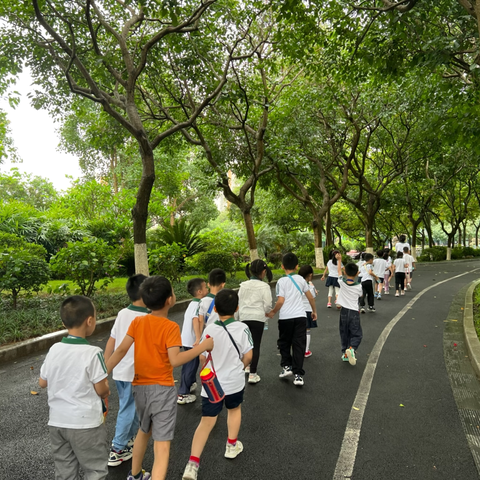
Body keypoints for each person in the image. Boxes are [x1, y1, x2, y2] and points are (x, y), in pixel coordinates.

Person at [106, 276, 213, 480]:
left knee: (143, 431)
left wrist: (102, 375)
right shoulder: (170, 327)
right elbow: (175, 360)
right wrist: (201, 347)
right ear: (169, 300)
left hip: (140, 387)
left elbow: (120, 350)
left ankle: (135, 475)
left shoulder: (138, 322)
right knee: (162, 445)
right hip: (162, 390)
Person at [182, 289, 253, 480]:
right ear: (237, 308)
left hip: (212, 384)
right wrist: (241, 366)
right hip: (234, 382)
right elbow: (248, 355)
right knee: (234, 410)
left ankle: (192, 464)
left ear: (215, 308)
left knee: (206, 422)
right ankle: (231, 445)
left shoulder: (210, 328)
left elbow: (203, 356)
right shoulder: (242, 328)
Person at [39, 295, 110, 480]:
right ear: (90, 321)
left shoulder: (54, 349)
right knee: (95, 471)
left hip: (57, 423)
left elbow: (42, 382)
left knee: (64, 471)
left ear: (64, 323)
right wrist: (107, 390)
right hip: (86, 424)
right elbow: (101, 390)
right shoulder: (93, 353)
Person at [104, 274, 148, 467]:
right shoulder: (146, 318)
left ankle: (128, 439)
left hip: (120, 371)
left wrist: (106, 364)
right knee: (128, 408)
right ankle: (117, 448)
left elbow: (112, 340)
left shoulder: (122, 313)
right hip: (134, 373)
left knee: (131, 407)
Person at [267, 252, 317, 387]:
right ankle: (298, 375)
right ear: (296, 266)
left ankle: (286, 367)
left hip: (285, 318)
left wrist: (273, 312)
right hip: (300, 317)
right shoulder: (301, 280)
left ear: (282, 266)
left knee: (284, 343)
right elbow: (310, 297)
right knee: (299, 345)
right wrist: (314, 311)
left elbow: (280, 300)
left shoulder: (281, 281)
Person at [238, 259, 273, 384]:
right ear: (263, 272)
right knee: (255, 345)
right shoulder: (264, 286)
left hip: (243, 317)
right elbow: (268, 304)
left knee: (245, 345)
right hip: (258, 318)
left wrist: (237, 318)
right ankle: (253, 373)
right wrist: (266, 313)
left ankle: (246, 366)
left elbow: (238, 302)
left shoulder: (242, 285)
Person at [177, 278, 209, 405]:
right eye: (205, 287)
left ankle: (188, 385)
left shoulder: (193, 303)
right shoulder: (199, 304)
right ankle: (183, 394)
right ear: (200, 291)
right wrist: (198, 338)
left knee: (188, 365)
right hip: (192, 341)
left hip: (186, 339)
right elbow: (196, 320)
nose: (207, 289)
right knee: (191, 366)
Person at [334, 254, 363, 366]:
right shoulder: (359, 286)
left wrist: (339, 260)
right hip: (354, 312)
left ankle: (345, 353)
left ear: (345, 271)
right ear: (357, 273)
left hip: (344, 312)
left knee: (344, 332)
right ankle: (352, 348)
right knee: (356, 333)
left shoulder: (342, 282)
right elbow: (361, 295)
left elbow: (339, 273)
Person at [298, 265, 318, 358]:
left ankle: (298, 349)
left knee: (298, 331)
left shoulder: (296, 285)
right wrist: (315, 311)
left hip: (298, 310)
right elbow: (313, 298)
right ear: (310, 275)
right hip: (308, 310)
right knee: (307, 331)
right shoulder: (310, 287)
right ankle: (306, 350)